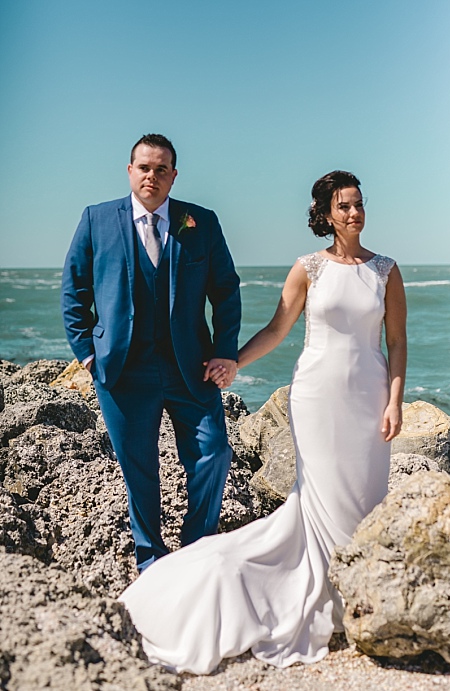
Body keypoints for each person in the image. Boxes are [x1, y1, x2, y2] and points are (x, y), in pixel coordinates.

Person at [118, 170, 408, 673]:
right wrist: (232, 362)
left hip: (369, 396)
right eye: (344, 206)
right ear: (326, 214)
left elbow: (398, 342)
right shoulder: (308, 268)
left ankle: (357, 588)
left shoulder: (386, 269)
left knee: (366, 497)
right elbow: (278, 329)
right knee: (318, 499)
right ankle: (323, 590)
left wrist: (396, 400)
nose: (355, 213)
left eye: (359, 204)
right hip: (316, 398)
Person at [61, 134, 242, 573]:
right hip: (122, 371)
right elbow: (73, 290)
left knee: (214, 450)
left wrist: (225, 352)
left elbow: (226, 291)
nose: (152, 176)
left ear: (174, 176)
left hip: (190, 368)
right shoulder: (97, 219)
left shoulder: (200, 222)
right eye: (144, 167)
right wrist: (87, 353)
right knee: (138, 468)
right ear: (130, 171)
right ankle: (151, 560)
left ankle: (197, 546)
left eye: (162, 169)